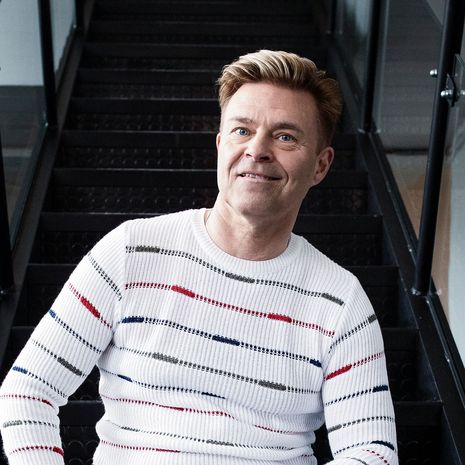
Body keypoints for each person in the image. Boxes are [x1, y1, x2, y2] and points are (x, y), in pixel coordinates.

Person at [0, 50, 398, 465]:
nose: (257, 150)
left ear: (320, 165)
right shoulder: (131, 252)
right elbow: (28, 390)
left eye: (285, 137)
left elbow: (372, 451)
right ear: (221, 144)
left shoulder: (341, 300)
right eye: (242, 130)